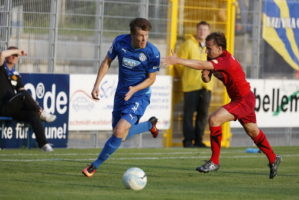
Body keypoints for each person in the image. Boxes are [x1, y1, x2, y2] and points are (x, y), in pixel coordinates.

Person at [163, 32, 281, 179]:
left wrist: (178, 60)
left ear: (220, 49)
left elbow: (201, 64)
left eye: (209, 48)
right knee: (252, 131)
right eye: (206, 48)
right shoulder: (213, 56)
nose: (207, 51)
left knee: (214, 119)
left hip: (243, 99)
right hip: (241, 99)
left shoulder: (226, 60)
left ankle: (214, 161)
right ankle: (273, 158)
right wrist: (206, 75)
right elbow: (206, 74)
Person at [82, 18, 160, 177]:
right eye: (140, 35)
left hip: (139, 95)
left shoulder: (152, 52)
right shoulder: (120, 41)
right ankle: (149, 125)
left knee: (119, 131)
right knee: (120, 136)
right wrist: (96, 85)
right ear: (132, 34)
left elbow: (151, 79)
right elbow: (107, 61)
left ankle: (93, 166)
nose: (144, 39)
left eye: (146, 35)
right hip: (121, 95)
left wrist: (134, 89)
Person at [0, 46, 56, 152]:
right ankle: (41, 112)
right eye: (11, 54)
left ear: (17, 59)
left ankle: (44, 144)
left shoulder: (16, 75)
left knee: (32, 114)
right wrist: (18, 51)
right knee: (24, 95)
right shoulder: (1, 68)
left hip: (12, 106)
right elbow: (2, 54)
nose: (13, 57)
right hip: (2, 105)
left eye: (15, 56)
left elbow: (21, 90)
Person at [174, 21, 213, 148]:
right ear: (197, 30)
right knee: (188, 114)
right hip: (191, 85)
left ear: (209, 32)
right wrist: (185, 76)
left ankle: (198, 140)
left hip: (206, 86)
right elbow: (179, 63)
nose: (202, 32)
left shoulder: (210, 47)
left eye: (205, 30)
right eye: (200, 29)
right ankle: (188, 141)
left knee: (202, 115)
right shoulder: (188, 44)